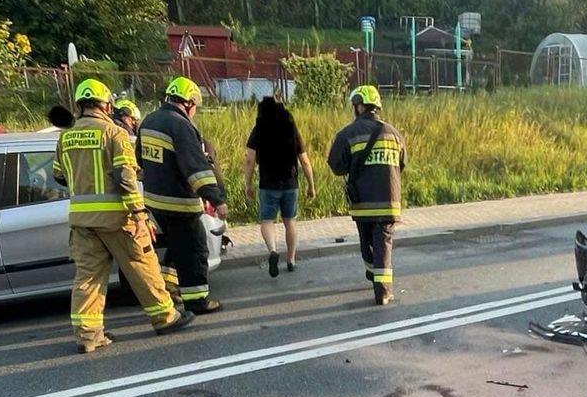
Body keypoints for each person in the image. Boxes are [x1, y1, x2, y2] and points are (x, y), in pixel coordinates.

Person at [52, 78, 194, 353]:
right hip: (117, 219)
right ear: (106, 105)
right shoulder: (113, 134)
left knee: (87, 278)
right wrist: (140, 214)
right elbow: (125, 178)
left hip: (82, 222)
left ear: (80, 105)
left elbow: (59, 175)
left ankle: (89, 336)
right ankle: (165, 317)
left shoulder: (65, 137)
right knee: (142, 266)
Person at [136, 76, 228, 314]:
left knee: (176, 248)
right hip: (179, 203)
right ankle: (197, 301)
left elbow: (139, 161)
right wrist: (216, 198)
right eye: (195, 106)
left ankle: (169, 289)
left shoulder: (149, 121)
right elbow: (196, 168)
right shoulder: (181, 125)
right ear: (188, 103)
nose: (194, 111)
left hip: (155, 203)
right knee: (195, 250)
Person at [327, 85, 406, 306]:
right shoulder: (393, 133)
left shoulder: (347, 134)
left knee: (368, 242)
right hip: (389, 201)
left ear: (359, 106)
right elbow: (402, 163)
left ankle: (379, 286)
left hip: (362, 203)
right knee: (384, 244)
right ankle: (381, 286)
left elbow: (336, 166)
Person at [245, 96, 315, 276]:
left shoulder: (259, 129)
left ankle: (273, 251)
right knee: (290, 221)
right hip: (290, 183)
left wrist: (248, 184)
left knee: (267, 221)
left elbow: (249, 160)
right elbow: (305, 161)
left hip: (268, 184)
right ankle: (291, 259)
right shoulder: (291, 129)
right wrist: (311, 185)